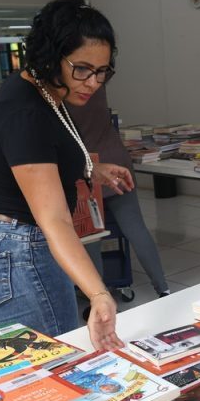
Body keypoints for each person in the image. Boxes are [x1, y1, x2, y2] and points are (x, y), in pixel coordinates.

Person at [0, 0, 133, 351]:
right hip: (19, 250)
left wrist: (91, 169)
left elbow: (41, 155)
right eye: (82, 69)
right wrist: (98, 293)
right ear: (52, 56)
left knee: (49, 355)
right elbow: (54, 220)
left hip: (9, 241)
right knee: (58, 358)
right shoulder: (27, 113)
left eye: (102, 71)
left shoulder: (40, 88)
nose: (93, 82)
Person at [66, 82, 170, 298]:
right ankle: (163, 288)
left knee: (92, 235)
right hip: (116, 161)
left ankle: (97, 295)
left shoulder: (57, 93)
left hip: (87, 170)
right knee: (136, 229)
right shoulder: (95, 83)